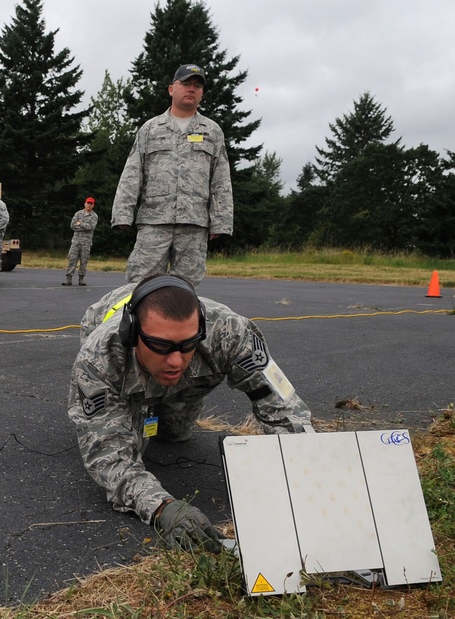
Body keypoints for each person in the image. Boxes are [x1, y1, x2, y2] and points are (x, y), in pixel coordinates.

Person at [68, 274, 311, 552]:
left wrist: (307, 467)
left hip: (188, 385)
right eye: (161, 346)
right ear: (133, 333)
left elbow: (281, 402)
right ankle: (141, 407)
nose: (175, 360)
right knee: (134, 445)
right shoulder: (99, 358)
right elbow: (109, 456)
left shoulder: (231, 332)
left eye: (187, 345)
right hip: (124, 370)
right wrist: (162, 508)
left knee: (175, 434)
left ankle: (166, 402)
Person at [110, 64, 233, 289]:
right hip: (154, 223)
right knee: (141, 286)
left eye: (197, 86)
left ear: (202, 93)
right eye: (186, 83)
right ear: (171, 89)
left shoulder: (212, 131)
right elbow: (132, 172)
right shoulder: (150, 129)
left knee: (186, 290)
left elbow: (221, 179)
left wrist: (221, 221)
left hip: (194, 225)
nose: (191, 89)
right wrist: (122, 214)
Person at [63, 197, 98, 286]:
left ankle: (81, 278)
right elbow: (72, 225)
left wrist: (80, 224)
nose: (89, 205)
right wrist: (83, 227)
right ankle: (68, 278)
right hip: (76, 241)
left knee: (84, 261)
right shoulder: (78, 214)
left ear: (93, 205)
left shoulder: (94, 216)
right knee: (72, 259)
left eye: (91, 203)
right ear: (85, 203)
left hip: (86, 243)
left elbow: (91, 227)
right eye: (88, 203)